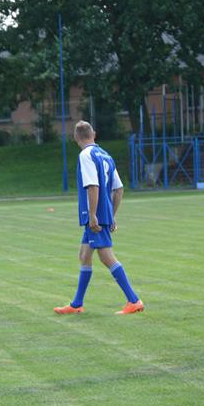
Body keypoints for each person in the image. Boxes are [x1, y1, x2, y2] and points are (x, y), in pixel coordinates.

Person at [54, 120, 144, 316]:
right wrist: (111, 215)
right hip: (101, 215)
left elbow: (92, 186)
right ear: (94, 134)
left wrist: (94, 214)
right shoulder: (106, 155)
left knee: (106, 256)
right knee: (84, 256)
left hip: (94, 216)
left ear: (76, 137)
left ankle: (134, 300)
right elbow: (118, 189)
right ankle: (76, 304)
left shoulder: (86, 155)